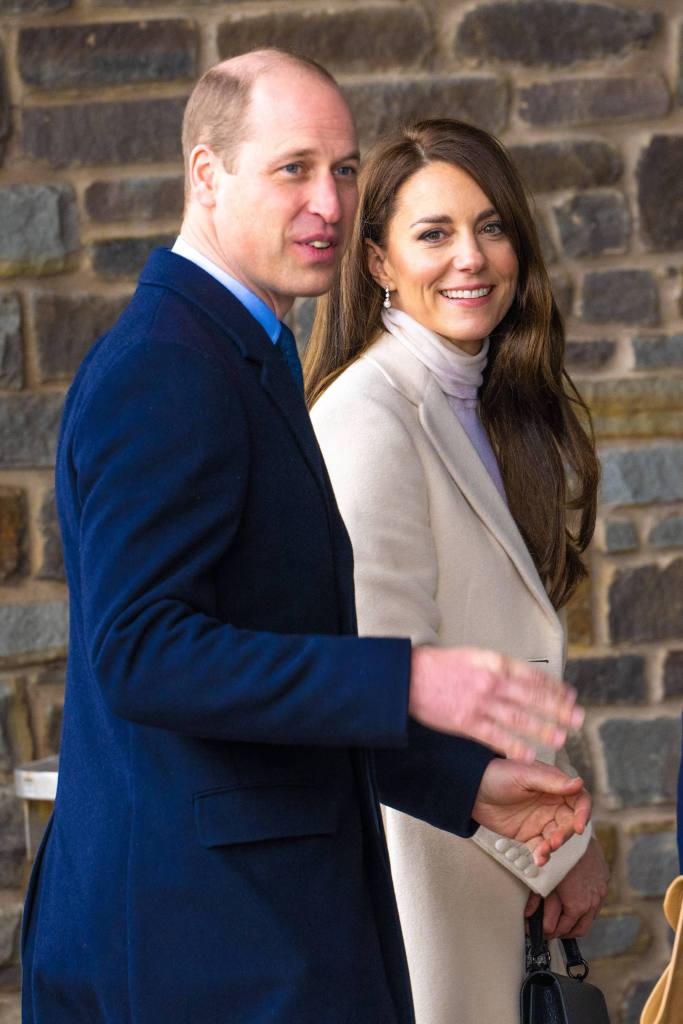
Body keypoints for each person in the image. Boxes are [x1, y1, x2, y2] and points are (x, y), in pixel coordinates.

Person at [21, 57, 590, 1024]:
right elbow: (142, 653)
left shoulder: (249, 353)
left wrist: (463, 781)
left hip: (258, 938)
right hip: (198, 956)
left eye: (343, 169)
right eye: (293, 169)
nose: (328, 200)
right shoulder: (166, 364)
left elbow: (281, 669)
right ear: (207, 176)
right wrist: (408, 679)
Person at [308, 118, 609, 1024]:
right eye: (432, 234)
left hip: (493, 869)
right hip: (430, 872)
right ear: (377, 264)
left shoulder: (486, 403)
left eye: (491, 226)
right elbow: (388, 687)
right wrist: (556, 851)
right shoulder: (370, 419)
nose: (470, 258)